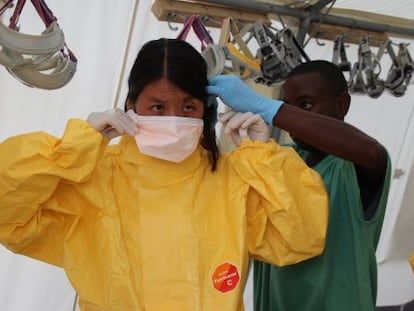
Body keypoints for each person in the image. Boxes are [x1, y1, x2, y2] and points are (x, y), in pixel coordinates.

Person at [0, 38, 329, 311]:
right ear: (131, 105)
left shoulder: (232, 178)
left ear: (205, 109)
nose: (174, 119)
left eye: (188, 107)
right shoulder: (93, 177)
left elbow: (299, 239)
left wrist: (265, 157)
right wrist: (76, 146)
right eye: (158, 107)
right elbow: (8, 209)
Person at [206, 60, 391, 311]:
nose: (290, 119)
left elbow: (371, 150)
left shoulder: (354, 166)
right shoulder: (280, 160)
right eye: (288, 106)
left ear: (342, 104)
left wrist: (269, 108)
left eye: (305, 105)